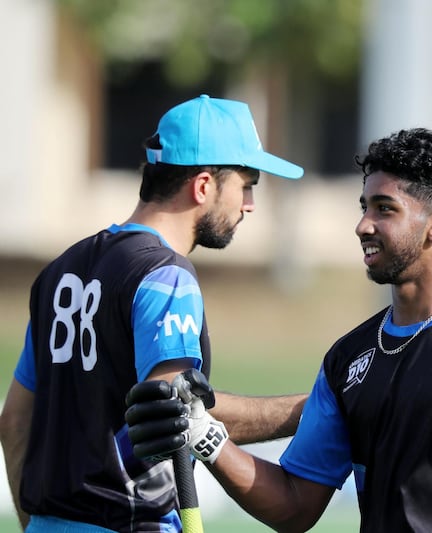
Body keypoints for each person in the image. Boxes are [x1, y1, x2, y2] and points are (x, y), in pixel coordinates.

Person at [123, 127, 432, 532]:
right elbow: (296, 505)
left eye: (384, 209)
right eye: (363, 207)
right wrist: (206, 435)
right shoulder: (347, 360)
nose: (363, 224)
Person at [0, 94, 309, 533]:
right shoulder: (166, 274)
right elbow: (173, 415)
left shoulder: (59, 270)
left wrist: (39, 522)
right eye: (246, 184)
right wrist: (314, 410)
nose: (250, 204)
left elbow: (14, 420)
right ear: (204, 186)